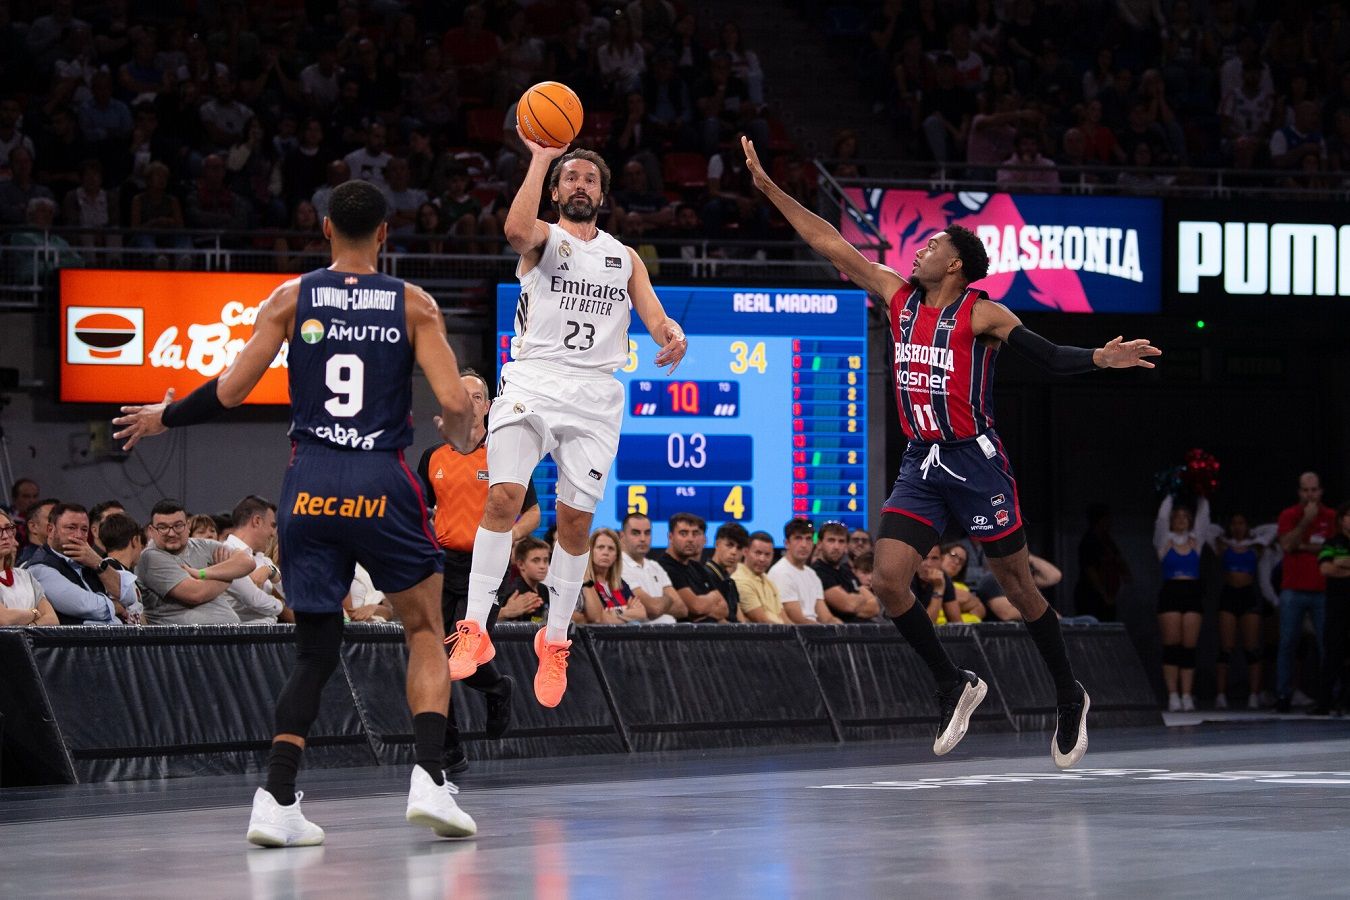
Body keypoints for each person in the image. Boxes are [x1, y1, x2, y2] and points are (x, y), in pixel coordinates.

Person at [741, 134, 1160, 767]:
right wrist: (772, 190)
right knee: (886, 579)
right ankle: (953, 681)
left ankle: (1067, 692)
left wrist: (1102, 356)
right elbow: (829, 240)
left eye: (934, 244)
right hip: (921, 462)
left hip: (975, 461)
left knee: (1019, 587)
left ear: (957, 264)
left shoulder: (982, 314)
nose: (922, 248)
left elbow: (1047, 355)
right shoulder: (896, 296)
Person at [112, 179, 479, 846]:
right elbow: (455, 404)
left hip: (308, 485)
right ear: (386, 235)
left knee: (314, 652)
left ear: (325, 231)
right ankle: (430, 780)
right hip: (381, 478)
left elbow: (230, 390)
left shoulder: (292, 297)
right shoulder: (414, 304)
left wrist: (163, 415)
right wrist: (462, 434)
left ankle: (275, 799)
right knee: (425, 628)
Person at [446, 131, 687, 708]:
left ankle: (554, 640)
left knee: (575, 523)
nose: (581, 186)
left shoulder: (624, 257)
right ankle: (476, 626)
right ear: (556, 191)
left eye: (590, 180)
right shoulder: (542, 239)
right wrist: (541, 157)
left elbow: (653, 316)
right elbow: (512, 230)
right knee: (504, 497)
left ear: (602, 195)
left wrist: (671, 334)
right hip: (533, 378)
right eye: (572, 179)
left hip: (595, 394)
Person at [417, 368, 536, 770]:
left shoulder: (505, 453)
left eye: (476, 397)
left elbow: (534, 512)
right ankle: (449, 750)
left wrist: (510, 535)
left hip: (485, 567)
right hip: (441, 565)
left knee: (462, 651)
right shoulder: (432, 457)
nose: (468, 403)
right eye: (460, 395)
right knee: (433, 656)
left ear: (488, 405)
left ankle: (497, 687)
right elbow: (418, 509)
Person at [1274, 472, 1336, 712]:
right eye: (1305, 490)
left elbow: (1332, 548)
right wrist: (1304, 523)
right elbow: (1288, 545)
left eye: (1314, 490)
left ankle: (1329, 696)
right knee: (1288, 643)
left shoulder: (1331, 516)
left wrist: (1304, 546)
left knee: (1327, 644)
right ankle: (1283, 696)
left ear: (1321, 491)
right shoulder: (1289, 515)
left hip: (1323, 590)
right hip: (1293, 589)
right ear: (1299, 492)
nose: (1310, 495)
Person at [1154, 494, 1210, 711]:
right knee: (1172, 646)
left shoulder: (1196, 541)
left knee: (1189, 647)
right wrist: (1170, 491)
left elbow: (1204, 517)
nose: (1181, 520)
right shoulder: (1163, 540)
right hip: (1171, 592)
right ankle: (1173, 695)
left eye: (1185, 517)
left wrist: (1200, 490)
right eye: (1176, 517)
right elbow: (1161, 518)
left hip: (1192, 592)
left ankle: (1187, 694)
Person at [1213, 513, 1270, 710]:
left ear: (1247, 526)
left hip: (1248, 595)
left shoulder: (1255, 547)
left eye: (1242, 523)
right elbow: (1207, 530)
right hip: (1229, 595)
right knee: (1225, 648)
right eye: (1234, 523)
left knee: (1251, 648)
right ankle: (1220, 695)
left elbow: (1273, 529)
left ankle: (1254, 695)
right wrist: (1222, 534)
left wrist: (1254, 535)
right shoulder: (1222, 545)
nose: (1237, 527)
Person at [1315, 502, 1350, 716]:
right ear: (1341, 519)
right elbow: (1326, 568)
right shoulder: (1332, 542)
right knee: (1332, 654)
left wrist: (1342, 564)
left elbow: (1336, 565)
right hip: (1337, 606)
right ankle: (1325, 702)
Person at [0, 508, 58, 626]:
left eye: (8, 528)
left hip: (30, 644)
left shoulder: (25, 576)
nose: (5, 535)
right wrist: (35, 613)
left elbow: (52, 620)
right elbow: (4, 619)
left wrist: (29, 628)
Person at [580, 528, 645, 624]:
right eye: (600, 547)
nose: (606, 553)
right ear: (590, 551)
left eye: (611, 548)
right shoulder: (585, 582)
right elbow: (598, 618)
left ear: (616, 556)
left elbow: (642, 613)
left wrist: (612, 614)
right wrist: (627, 612)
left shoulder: (620, 583)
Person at [733, 530, 788, 624]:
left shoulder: (768, 581)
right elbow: (762, 621)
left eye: (767, 554)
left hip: (781, 634)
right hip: (767, 636)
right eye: (758, 553)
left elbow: (784, 618)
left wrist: (798, 634)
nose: (762, 559)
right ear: (745, 552)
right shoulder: (739, 580)